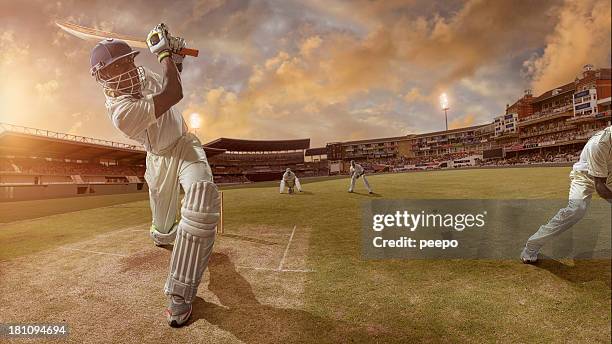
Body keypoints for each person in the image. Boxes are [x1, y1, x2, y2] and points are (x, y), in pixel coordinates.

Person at [90, 23, 220, 327]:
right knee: (164, 232)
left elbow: (170, 78)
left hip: (186, 145)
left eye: (126, 61)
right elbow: (173, 93)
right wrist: (163, 51)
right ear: (102, 78)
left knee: (202, 197)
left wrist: (175, 57)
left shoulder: (140, 75)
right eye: (113, 68)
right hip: (159, 160)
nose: (124, 69)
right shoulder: (121, 112)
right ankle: (163, 232)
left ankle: (180, 293)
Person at [521, 126, 612, 263]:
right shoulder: (599, 144)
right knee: (576, 210)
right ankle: (531, 246)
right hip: (585, 176)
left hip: (609, 173)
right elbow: (600, 185)